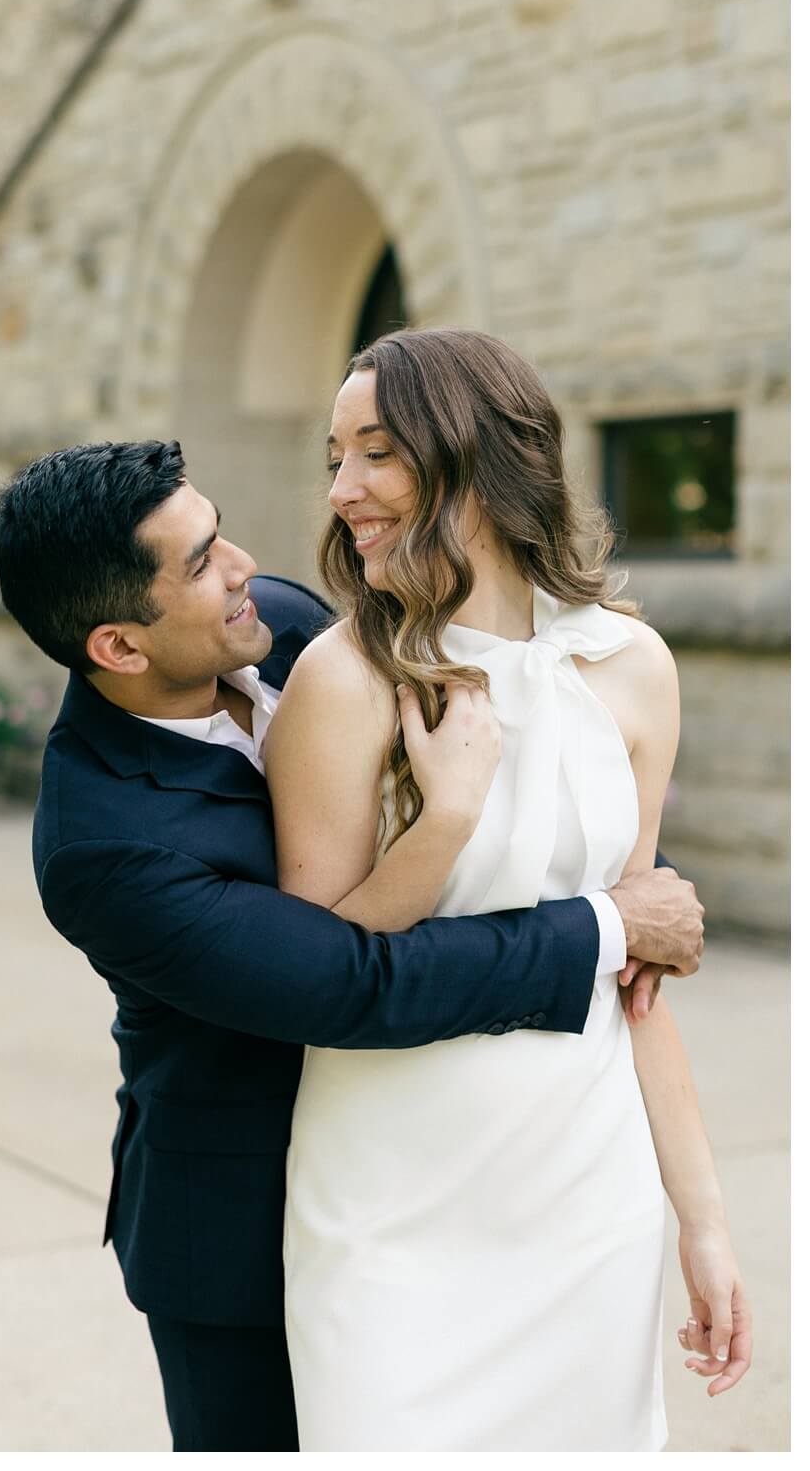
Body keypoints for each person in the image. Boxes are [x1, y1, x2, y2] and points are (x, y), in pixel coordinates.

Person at [0, 437, 707, 1451]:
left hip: (446, 1164)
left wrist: (614, 861)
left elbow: (487, 759)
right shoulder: (102, 847)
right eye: (196, 564)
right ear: (117, 646)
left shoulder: (272, 625)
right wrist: (602, 924)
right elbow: (352, 983)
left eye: (217, 533)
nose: (241, 566)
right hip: (242, 1227)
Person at [272, 328, 749, 1448]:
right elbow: (316, 971)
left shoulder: (631, 667)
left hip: (585, 1195)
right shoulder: (341, 679)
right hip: (387, 1199)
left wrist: (704, 1222)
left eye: (374, 453)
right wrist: (441, 821)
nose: (341, 489)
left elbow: (635, 977)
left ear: (473, 458)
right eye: (332, 456)